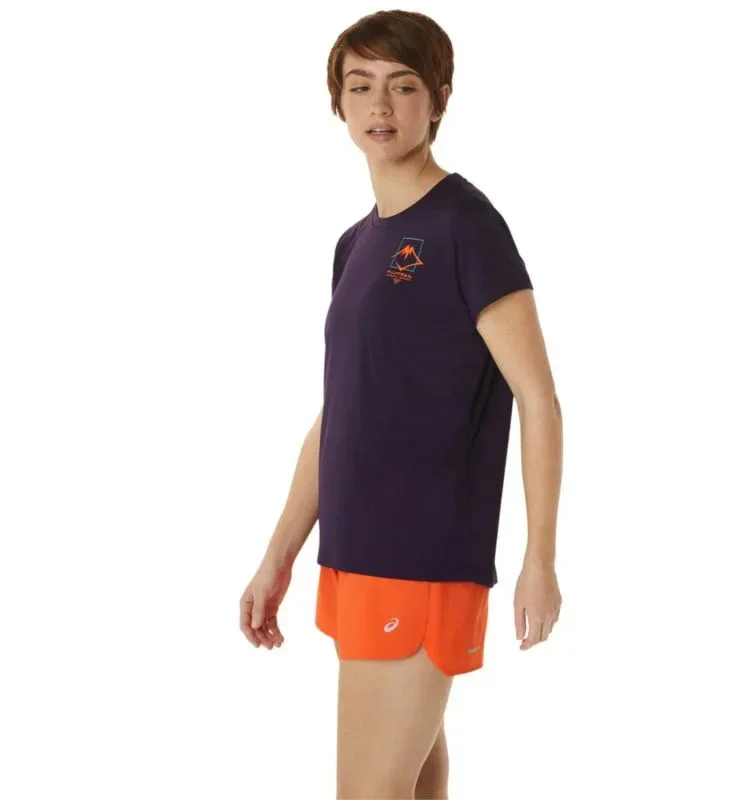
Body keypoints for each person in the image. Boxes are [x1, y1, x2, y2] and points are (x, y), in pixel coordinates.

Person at [240, 10, 563, 798]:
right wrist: (280, 552)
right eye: (360, 87)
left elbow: (537, 396)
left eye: (402, 85)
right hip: (357, 552)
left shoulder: (464, 226)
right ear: (338, 103)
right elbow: (341, 411)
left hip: (420, 556)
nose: (379, 106)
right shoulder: (356, 244)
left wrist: (540, 559)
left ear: (440, 98)